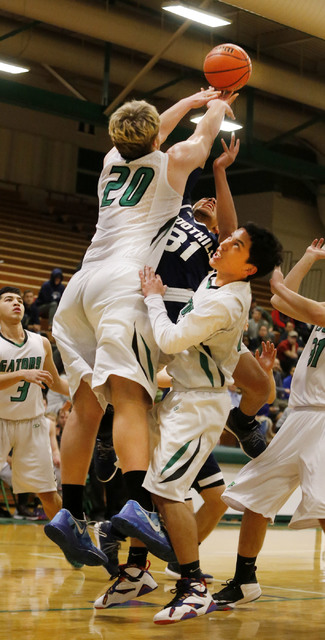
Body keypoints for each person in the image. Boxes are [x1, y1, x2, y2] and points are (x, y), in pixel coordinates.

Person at [44, 89, 237, 568]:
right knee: (130, 398)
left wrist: (194, 96)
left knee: (85, 406)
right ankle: (134, 503)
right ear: (154, 136)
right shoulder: (172, 163)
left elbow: (155, 128)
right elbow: (204, 135)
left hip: (80, 285)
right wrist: (217, 102)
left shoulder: (112, 159)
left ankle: (68, 512)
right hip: (123, 284)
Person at [98, 223, 283, 624]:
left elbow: (171, 340)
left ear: (249, 268)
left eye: (237, 245)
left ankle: (193, 587)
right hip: (182, 396)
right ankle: (135, 572)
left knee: (167, 493)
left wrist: (152, 299)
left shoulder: (226, 302)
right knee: (151, 487)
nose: (224, 243)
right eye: (228, 237)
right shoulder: (215, 280)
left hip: (199, 406)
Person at [212, 237, 325, 609]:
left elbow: (279, 291)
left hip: (324, 420)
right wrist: (307, 257)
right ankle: (245, 580)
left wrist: (273, 269)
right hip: (300, 418)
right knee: (257, 495)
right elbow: (280, 301)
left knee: (323, 506)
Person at [0, 286, 70, 526]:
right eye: (8, 300)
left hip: (32, 422)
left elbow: (58, 383)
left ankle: (72, 543)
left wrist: (91, 390)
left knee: (48, 493)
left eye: (19, 300)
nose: (16, 303)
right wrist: (21, 374)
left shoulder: (41, 343)